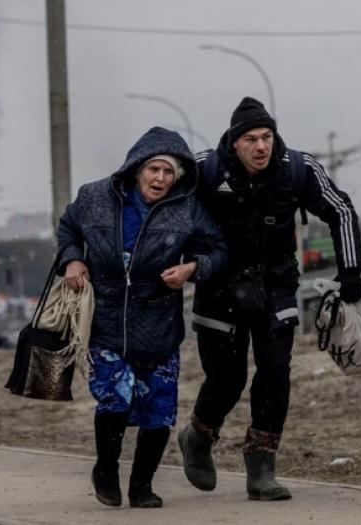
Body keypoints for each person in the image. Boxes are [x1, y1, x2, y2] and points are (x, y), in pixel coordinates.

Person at [178, 97, 361, 501]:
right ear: (234, 142)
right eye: (251, 139)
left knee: (275, 374)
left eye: (266, 136)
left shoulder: (298, 168)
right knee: (228, 379)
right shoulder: (203, 169)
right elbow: (158, 202)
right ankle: (197, 436)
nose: (261, 146)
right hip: (219, 286)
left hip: (275, 285)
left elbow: (341, 211)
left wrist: (350, 272)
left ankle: (261, 467)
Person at [56, 126, 227, 509]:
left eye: (169, 172)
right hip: (106, 321)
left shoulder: (188, 209)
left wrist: (191, 269)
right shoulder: (95, 197)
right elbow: (68, 228)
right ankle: (105, 470)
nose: (161, 179)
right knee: (115, 398)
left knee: (158, 410)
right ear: (136, 169)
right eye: (154, 169)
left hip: (159, 324)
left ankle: (142, 485)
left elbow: (218, 250)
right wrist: (73, 259)